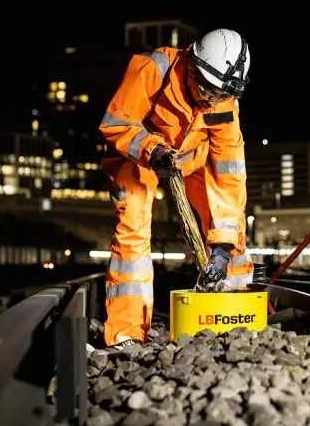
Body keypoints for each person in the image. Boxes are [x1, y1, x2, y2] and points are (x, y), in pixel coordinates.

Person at [99, 29, 254, 348]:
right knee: (133, 227)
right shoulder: (152, 68)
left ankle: (238, 313)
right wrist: (154, 151)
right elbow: (117, 124)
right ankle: (127, 333)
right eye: (207, 91)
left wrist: (222, 248)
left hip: (191, 158)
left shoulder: (224, 100)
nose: (211, 100)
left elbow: (230, 175)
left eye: (219, 95)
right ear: (193, 67)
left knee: (228, 228)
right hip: (139, 154)